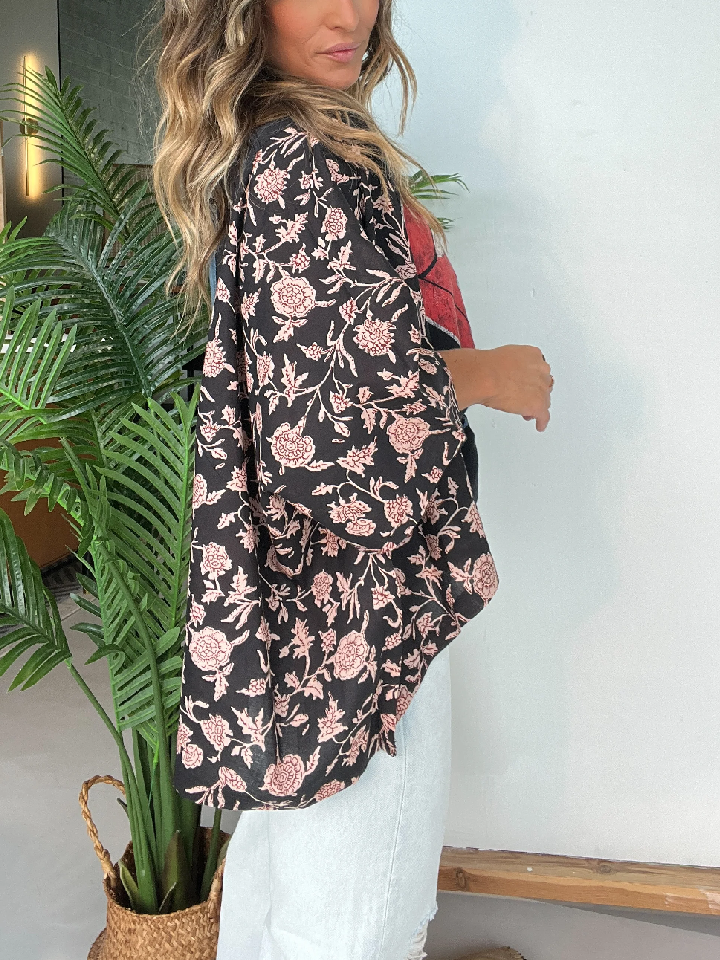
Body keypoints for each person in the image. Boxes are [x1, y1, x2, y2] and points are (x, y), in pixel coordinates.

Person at [152, 2, 553, 958]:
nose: (349, 14)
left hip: (312, 598)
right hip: (360, 603)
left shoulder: (275, 143)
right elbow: (329, 423)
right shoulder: (303, 160)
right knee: (357, 911)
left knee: (291, 869)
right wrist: (492, 373)